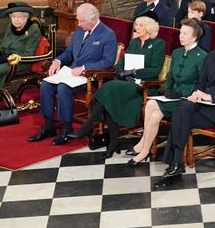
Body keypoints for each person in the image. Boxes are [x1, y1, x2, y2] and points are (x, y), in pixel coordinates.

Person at [155, 17, 215, 187]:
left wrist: (211, 97)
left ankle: (175, 164)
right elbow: (201, 83)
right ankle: (177, 163)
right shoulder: (213, 56)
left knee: (181, 117)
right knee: (182, 109)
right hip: (204, 105)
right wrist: (197, 93)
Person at [67, 15, 165, 159]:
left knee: (109, 88)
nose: (136, 28)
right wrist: (122, 72)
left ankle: (88, 127)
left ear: (148, 29)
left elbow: (155, 70)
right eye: (136, 25)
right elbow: (120, 64)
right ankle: (113, 141)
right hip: (125, 83)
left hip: (143, 86)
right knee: (110, 96)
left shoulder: (158, 44)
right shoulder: (134, 43)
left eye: (140, 25)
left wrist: (133, 72)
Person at [28, 3, 117, 145]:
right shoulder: (80, 31)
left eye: (81, 21)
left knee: (63, 87)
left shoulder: (107, 35)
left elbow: (108, 62)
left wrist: (84, 67)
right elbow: (69, 53)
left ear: (93, 19)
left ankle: (67, 128)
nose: (78, 23)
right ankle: (48, 125)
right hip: (71, 73)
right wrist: (57, 61)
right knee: (46, 84)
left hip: (90, 76)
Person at [126, 18, 207, 166]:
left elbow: (201, 84)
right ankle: (145, 146)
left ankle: (143, 148)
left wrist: (181, 94)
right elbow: (169, 76)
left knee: (152, 107)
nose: (181, 36)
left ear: (195, 37)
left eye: (185, 34)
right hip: (172, 96)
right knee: (153, 109)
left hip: (187, 100)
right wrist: (167, 89)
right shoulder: (177, 53)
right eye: (180, 33)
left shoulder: (202, 56)